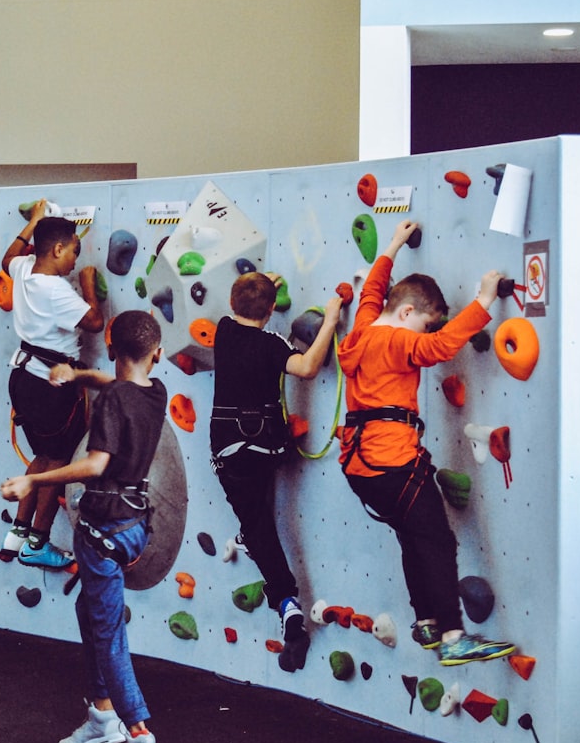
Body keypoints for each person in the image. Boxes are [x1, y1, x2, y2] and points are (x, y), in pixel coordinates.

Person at [337, 218, 517, 666]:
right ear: (405, 315)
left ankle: (426, 622)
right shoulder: (398, 341)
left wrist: (394, 245)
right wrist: (483, 300)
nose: (422, 331)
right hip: (393, 462)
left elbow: (371, 293)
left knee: (411, 538)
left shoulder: (361, 331)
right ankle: (455, 636)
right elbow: (438, 347)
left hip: (360, 467)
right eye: (422, 323)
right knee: (436, 541)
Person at [1, 310, 166, 743]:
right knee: (89, 608)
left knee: (108, 631)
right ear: (158, 354)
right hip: (134, 528)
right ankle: (101, 715)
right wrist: (76, 374)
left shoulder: (113, 401)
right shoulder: (155, 392)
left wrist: (33, 482)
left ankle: (139, 736)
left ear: (111, 349)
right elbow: (112, 382)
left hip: (103, 528)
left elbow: (96, 464)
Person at [210, 272, 342, 672]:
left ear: (233, 305)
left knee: (256, 522)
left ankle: (288, 609)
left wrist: (259, 285)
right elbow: (305, 367)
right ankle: (280, 591)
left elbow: (245, 306)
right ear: (271, 311)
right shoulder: (271, 344)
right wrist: (332, 322)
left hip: (231, 448)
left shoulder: (224, 330)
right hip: (268, 447)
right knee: (257, 520)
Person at [0, 199, 104, 569]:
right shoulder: (55, 289)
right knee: (58, 462)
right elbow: (94, 322)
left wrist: (34, 222)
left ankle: (17, 532)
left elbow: (7, 256)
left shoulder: (25, 268)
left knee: (42, 457)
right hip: (50, 387)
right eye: (75, 251)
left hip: (23, 379)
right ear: (58, 249)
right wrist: (88, 285)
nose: (76, 260)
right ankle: (37, 543)